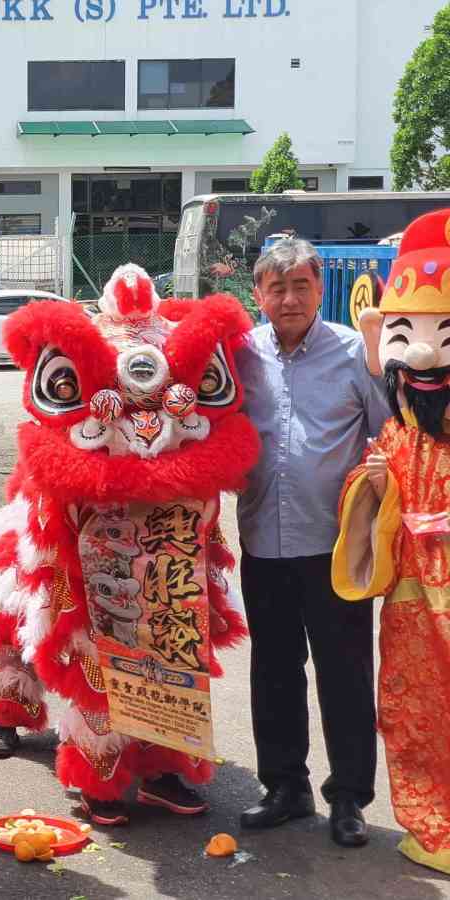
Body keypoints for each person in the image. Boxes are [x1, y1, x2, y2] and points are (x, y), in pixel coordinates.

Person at [0, 264, 254, 827]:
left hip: (169, 525)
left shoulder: (174, 344)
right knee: (77, 639)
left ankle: (162, 764)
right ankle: (73, 751)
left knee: (171, 637)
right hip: (85, 522)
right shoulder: (89, 345)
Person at [235, 238, 390, 848]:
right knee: (273, 669)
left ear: (319, 289)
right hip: (261, 541)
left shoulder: (355, 352)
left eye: (301, 285)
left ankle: (349, 797)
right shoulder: (242, 354)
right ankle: (284, 786)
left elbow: (386, 434)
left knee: (345, 672)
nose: (290, 298)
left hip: (335, 546)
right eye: (277, 288)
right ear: (259, 295)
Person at [332, 209, 450, 874]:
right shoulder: (399, 432)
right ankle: (432, 825)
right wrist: (373, 484)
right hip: (410, 595)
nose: (426, 354)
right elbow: (369, 492)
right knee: (413, 712)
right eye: (409, 335)